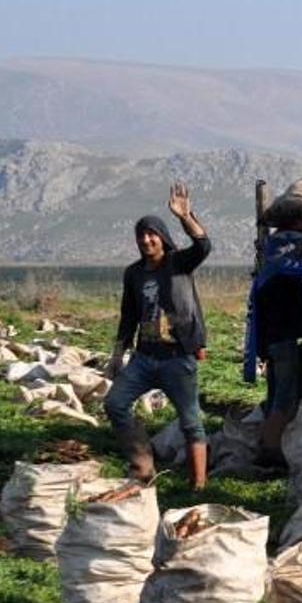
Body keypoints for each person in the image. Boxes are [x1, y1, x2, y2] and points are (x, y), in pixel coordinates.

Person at [104, 182, 211, 490]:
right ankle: (142, 465)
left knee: (191, 422)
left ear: (162, 237)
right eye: (141, 235)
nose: (146, 240)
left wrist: (185, 216)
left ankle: (198, 486)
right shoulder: (134, 273)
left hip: (177, 358)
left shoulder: (178, 263)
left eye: (151, 234)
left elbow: (204, 246)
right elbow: (128, 316)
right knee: (115, 404)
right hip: (145, 358)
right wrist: (116, 355)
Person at [243, 215, 302, 466]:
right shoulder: (282, 270)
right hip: (283, 341)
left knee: (276, 392)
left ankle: (265, 445)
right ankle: (270, 451)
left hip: (271, 342)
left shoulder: (268, 272)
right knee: (284, 400)